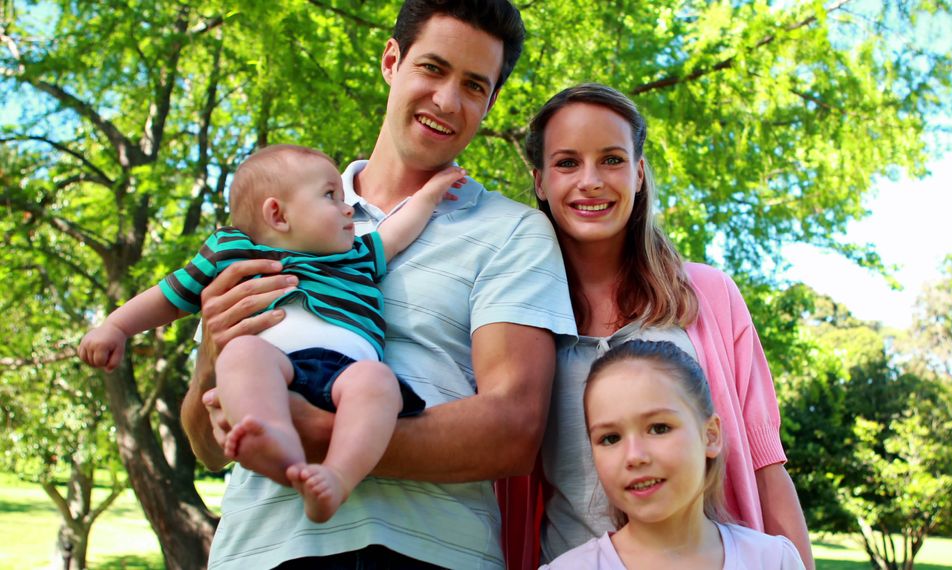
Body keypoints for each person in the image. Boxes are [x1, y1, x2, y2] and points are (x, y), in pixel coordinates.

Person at [180, 1, 576, 568]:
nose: (446, 100)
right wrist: (211, 359)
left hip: (432, 554)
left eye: (473, 85)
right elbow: (206, 447)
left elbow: (513, 431)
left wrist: (319, 434)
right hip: (263, 550)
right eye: (433, 69)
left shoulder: (513, 232)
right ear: (392, 60)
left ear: (489, 104)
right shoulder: (283, 216)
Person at [80, 144, 467, 523]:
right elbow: (170, 294)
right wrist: (116, 326)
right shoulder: (232, 253)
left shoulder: (356, 254)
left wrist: (431, 194)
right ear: (278, 215)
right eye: (331, 196)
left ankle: (337, 476)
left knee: (379, 382)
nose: (348, 206)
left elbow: (399, 230)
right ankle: (270, 439)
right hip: (272, 369)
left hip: (346, 374)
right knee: (241, 355)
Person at [525, 83, 815, 568]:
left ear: (639, 174)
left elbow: (766, 465)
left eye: (612, 159)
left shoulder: (709, 296)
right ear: (539, 181)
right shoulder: (521, 314)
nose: (591, 180)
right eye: (568, 162)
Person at [542, 340, 805, 569]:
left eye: (659, 428)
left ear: (711, 435)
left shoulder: (774, 560)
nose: (634, 456)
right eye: (610, 438)